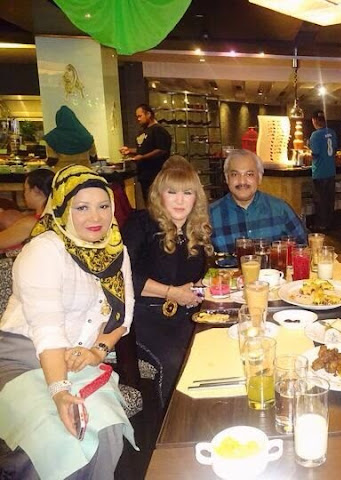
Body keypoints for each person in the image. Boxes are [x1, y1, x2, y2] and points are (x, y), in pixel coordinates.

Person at [0, 165, 136, 479]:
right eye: (82, 207)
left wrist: (97, 352)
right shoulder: (44, 251)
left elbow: (123, 316)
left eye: (103, 206)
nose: (96, 217)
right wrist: (60, 392)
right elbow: (46, 330)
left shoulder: (116, 250)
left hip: (79, 358)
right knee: (55, 439)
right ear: (62, 209)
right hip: (23, 356)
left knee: (105, 428)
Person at [122, 156, 213, 406]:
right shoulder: (141, 223)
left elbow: (195, 280)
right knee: (179, 360)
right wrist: (171, 292)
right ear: (159, 195)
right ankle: (174, 424)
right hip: (143, 318)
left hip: (184, 315)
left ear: (196, 198)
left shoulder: (196, 229)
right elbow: (122, 275)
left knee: (215, 347)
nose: (180, 200)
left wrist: (198, 291)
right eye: (172, 192)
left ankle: (209, 413)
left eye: (187, 193)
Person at [208, 149, 307, 253]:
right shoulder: (210, 216)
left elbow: (303, 249)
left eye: (249, 174)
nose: (242, 181)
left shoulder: (280, 210)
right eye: (235, 174)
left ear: (259, 178)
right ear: (227, 178)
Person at [119, 103, 172, 201]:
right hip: (144, 175)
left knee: (157, 202)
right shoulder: (143, 131)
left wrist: (142, 157)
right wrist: (129, 151)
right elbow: (143, 150)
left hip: (156, 174)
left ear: (148, 114)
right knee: (148, 201)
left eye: (140, 116)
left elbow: (161, 150)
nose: (138, 119)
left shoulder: (158, 130)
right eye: (137, 117)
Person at [0, 169, 54, 252]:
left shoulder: (32, 223)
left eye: (26, 189)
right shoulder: (55, 216)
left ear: (36, 190)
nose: (24, 194)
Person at [309, 110, 337, 231]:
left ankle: (320, 225)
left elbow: (315, 153)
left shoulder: (315, 135)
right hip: (331, 171)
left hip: (320, 172)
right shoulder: (332, 132)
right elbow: (334, 150)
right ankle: (329, 223)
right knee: (329, 200)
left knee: (320, 200)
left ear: (314, 120)